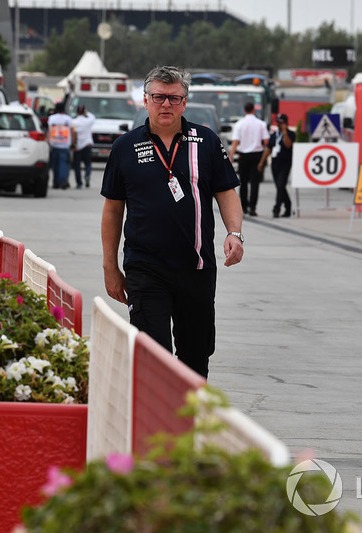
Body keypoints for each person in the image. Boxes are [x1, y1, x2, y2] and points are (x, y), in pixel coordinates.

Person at [100, 65, 244, 379]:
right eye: (159, 97)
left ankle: (187, 425)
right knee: (153, 354)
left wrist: (235, 233)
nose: (166, 104)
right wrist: (110, 265)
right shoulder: (125, 147)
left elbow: (227, 192)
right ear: (145, 99)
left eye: (174, 98)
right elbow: (112, 210)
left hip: (197, 268)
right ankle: (155, 424)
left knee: (195, 355)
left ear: (185, 102)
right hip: (145, 268)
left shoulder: (205, 142)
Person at [228, 101, 269, 216]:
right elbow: (266, 141)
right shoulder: (261, 124)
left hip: (243, 155)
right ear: (253, 110)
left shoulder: (240, 124)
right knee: (255, 182)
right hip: (257, 154)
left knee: (244, 181)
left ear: (244, 110)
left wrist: (230, 156)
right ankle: (253, 207)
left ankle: (244, 207)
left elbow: (236, 141)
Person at [259, 113, 295, 218]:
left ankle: (277, 208)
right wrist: (262, 162)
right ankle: (288, 206)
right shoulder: (274, 135)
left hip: (285, 163)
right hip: (275, 164)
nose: (279, 125)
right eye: (278, 123)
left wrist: (285, 132)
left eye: (281, 123)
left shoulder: (290, 134)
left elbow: (288, 144)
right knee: (280, 187)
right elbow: (268, 149)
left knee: (280, 185)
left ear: (286, 123)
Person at [47, 102, 73, 189]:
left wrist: (48, 141)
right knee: (64, 164)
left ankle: (56, 182)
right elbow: (72, 131)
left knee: (55, 165)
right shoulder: (68, 119)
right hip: (65, 145)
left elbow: (49, 131)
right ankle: (63, 181)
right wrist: (73, 142)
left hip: (54, 144)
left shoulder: (52, 118)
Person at [71, 104, 96, 188]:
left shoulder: (73, 122)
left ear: (77, 112)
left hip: (77, 146)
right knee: (88, 164)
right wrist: (87, 112)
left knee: (77, 166)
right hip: (87, 144)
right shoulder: (88, 121)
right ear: (84, 111)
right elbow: (93, 117)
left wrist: (74, 145)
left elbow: (73, 134)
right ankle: (87, 175)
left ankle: (79, 183)